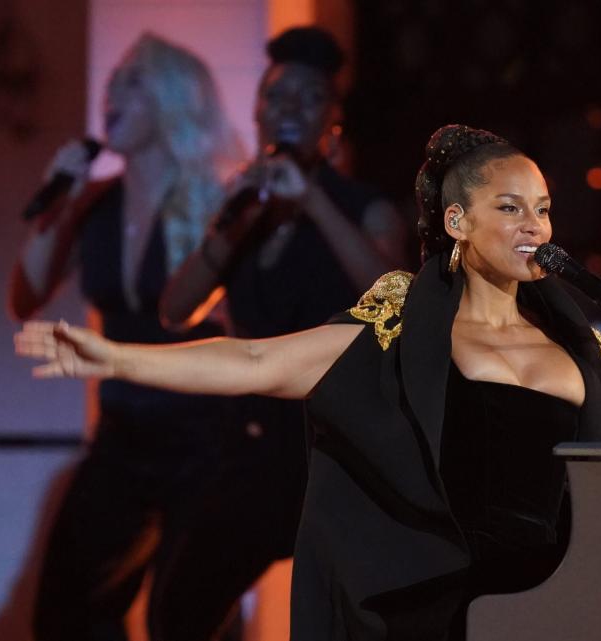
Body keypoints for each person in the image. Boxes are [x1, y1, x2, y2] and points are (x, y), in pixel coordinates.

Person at [16, 124, 601, 640]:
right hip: (441, 614)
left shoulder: (588, 350)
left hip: (554, 613)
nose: (534, 225)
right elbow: (257, 363)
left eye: (543, 209)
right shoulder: (402, 333)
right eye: (510, 207)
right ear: (456, 221)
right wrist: (117, 358)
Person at [6, 33, 256, 641]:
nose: (112, 92)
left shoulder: (216, 197)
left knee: (190, 614)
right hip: (121, 434)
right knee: (70, 608)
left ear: (174, 98)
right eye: (111, 81)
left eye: (132, 81)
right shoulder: (94, 202)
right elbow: (25, 298)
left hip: (205, 436)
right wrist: (57, 201)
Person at [156, 27, 407, 625]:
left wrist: (314, 200)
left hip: (335, 453)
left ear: (333, 123)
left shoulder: (360, 205)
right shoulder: (243, 213)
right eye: (276, 95)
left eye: (309, 96)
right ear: (257, 113)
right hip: (250, 449)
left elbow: (398, 301)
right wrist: (233, 223)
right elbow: (174, 307)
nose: (289, 107)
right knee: (177, 610)